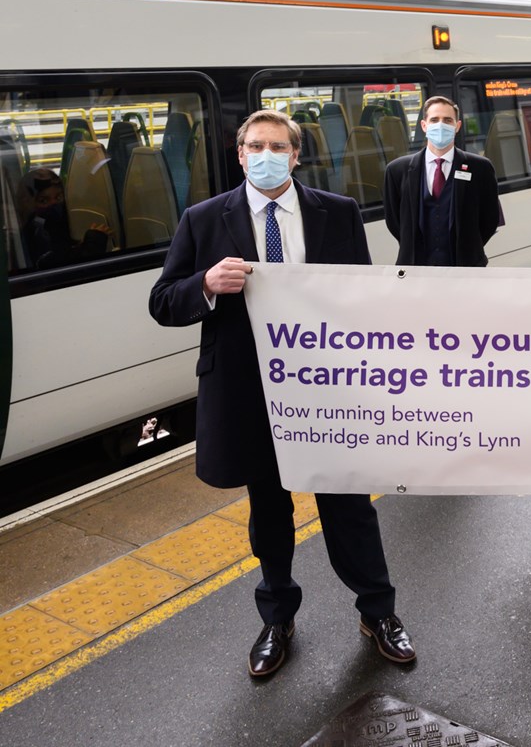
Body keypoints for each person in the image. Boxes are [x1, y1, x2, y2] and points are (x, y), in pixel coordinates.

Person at [149, 109, 416, 679]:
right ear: (240, 154)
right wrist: (205, 285)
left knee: (348, 506)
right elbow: (163, 300)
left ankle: (379, 612)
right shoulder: (203, 220)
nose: (267, 154)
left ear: (297, 156)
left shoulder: (337, 214)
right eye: (255, 145)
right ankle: (277, 619)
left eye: (279, 146)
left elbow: (363, 299)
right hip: (249, 394)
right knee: (269, 510)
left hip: (325, 392)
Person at [384, 95, 501, 266]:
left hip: (465, 269)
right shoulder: (396, 171)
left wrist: (468, 246)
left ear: (457, 126)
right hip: (416, 269)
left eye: (447, 120)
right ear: (424, 126)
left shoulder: (480, 168)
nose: (440, 125)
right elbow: (395, 222)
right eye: (434, 120)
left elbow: (489, 220)